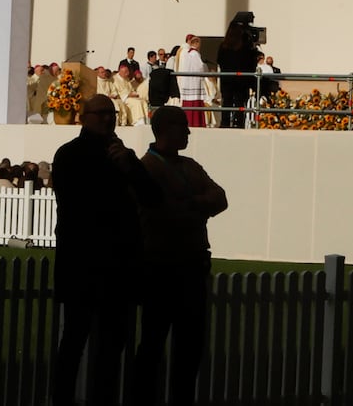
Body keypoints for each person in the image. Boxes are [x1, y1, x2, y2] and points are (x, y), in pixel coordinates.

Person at [51, 95, 160, 406]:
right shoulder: (69, 155)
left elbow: (152, 198)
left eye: (111, 114)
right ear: (84, 117)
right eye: (101, 114)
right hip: (84, 262)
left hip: (119, 266)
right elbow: (79, 206)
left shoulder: (123, 156)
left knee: (113, 345)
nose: (108, 119)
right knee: (74, 341)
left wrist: (129, 167)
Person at [130, 106, 228, 406]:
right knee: (154, 345)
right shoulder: (148, 168)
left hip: (189, 267)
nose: (188, 132)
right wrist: (198, 205)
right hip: (163, 268)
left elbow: (221, 198)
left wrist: (188, 203)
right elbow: (166, 212)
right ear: (167, 129)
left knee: (189, 347)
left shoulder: (187, 166)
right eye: (183, 126)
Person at [176, 41, 207, 128]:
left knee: (188, 107)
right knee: (195, 106)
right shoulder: (195, 54)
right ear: (196, 43)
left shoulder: (183, 52)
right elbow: (200, 68)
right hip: (195, 84)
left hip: (186, 83)